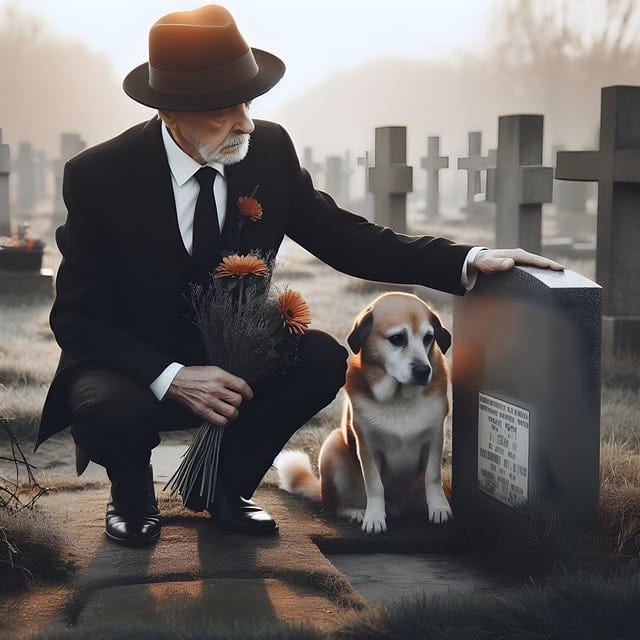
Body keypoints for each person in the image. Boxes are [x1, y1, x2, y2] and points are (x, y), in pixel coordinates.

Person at [34, 4, 565, 545]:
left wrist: (466, 258)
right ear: (171, 114)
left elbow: (347, 238)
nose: (244, 121)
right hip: (132, 366)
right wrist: (172, 376)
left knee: (320, 357)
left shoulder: (267, 149)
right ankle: (130, 491)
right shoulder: (99, 176)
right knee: (104, 409)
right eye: (223, 110)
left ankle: (224, 487)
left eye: (248, 100)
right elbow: (75, 317)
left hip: (234, 358)